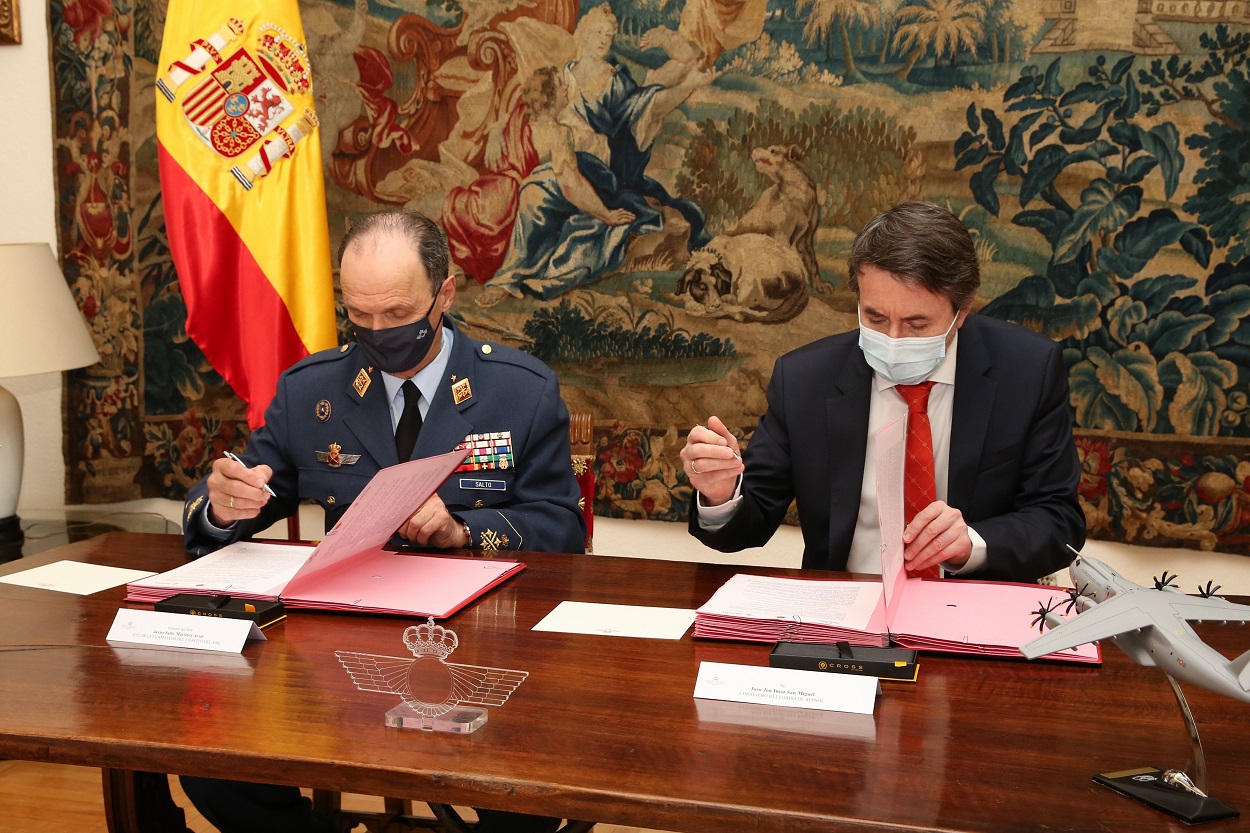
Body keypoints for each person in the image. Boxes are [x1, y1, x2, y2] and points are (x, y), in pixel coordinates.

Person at [179, 209, 584, 833]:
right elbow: (238, 494)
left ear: (444, 294)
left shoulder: (518, 391)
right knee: (209, 759)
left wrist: (463, 529)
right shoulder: (313, 390)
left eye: (396, 315)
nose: (377, 331)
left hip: (481, 644)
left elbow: (562, 528)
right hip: (340, 651)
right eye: (358, 315)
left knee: (529, 792)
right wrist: (223, 503)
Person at [681, 201, 1084, 582]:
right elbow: (746, 527)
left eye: (916, 324)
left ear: (963, 311)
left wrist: (972, 544)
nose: (892, 339)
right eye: (875, 317)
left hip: (972, 611)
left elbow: (1059, 520)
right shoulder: (804, 379)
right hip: (845, 615)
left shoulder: (1027, 372)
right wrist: (720, 496)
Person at [476, 5, 712, 306]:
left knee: (582, 220)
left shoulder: (617, 79)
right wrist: (496, 128)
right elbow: (527, 102)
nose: (603, 39)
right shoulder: (563, 75)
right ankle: (512, 277)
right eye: (598, 32)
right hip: (567, 167)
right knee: (540, 199)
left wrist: (665, 39)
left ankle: (529, 278)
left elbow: (659, 94)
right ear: (584, 33)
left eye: (609, 35)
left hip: (601, 171)